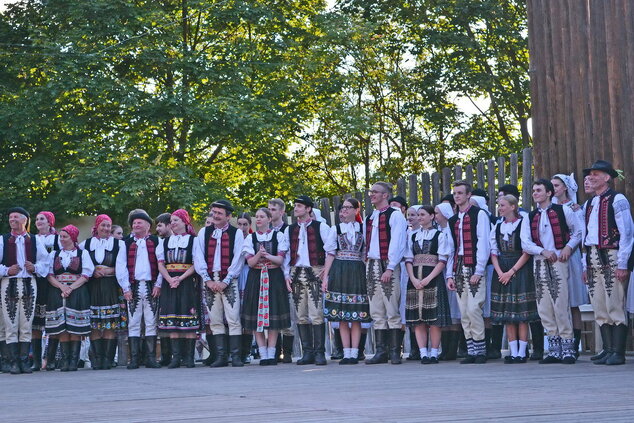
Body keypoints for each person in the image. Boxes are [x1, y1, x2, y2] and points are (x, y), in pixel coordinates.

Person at [521, 179, 582, 364]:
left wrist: (568, 247)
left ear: (549, 193)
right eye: (533, 191)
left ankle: (568, 348)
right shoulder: (530, 216)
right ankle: (554, 350)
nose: (535, 193)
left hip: (558, 261)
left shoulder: (564, 210)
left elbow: (577, 231)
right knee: (544, 306)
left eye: (538, 190)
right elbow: (525, 242)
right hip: (540, 261)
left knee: (561, 303)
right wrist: (542, 251)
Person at [582, 160, 633, 365]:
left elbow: (627, 233)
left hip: (611, 254)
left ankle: (618, 352)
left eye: (596, 174)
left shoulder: (617, 199)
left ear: (607, 177)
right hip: (593, 255)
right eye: (590, 174)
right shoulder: (589, 203)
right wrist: (585, 265)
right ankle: (608, 348)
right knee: (599, 304)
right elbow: (586, 237)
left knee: (615, 302)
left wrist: (623, 263)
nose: (591, 177)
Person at [194, 200, 245, 368]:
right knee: (215, 319)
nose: (215, 216)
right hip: (209, 279)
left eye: (219, 213)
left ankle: (236, 356)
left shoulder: (236, 233)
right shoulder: (204, 232)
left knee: (233, 318)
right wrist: (207, 279)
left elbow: (238, 258)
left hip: (229, 279)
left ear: (228, 216)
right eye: (214, 212)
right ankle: (221, 356)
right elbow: (198, 256)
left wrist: (226, 280)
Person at [446, 181, 491, 364]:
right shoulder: (453, 220)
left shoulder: (479, 214)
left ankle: (480, 349)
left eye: (460, 193)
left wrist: (479, 270)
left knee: (474, 308)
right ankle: (471, 349)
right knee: (464, 311)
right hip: (458, 266)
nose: (457, 196)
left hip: (473, 265)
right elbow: (451, 248)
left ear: (468, 195)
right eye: (455, 193)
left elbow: (484, 243)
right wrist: (449, 274)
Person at [498, 183, 544, 361]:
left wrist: (512, 270)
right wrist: (502, 271)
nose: (500, 208)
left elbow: (526, 249)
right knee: (509, 314)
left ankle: (523, 351)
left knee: (523, 313)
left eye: (502, 204)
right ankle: (514, 351)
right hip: (503, 268)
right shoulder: (498, 225)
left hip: (520, 268)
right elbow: (494, 251)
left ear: (512, 205)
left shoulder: (524, 220)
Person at [0, 207, 49, 374]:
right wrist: (6, 270)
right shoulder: (3, 240)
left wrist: (34, 267)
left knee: (26, 323)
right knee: (10, 323)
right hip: (9, 283)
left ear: (24, 220)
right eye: (10, 217)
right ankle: (14, 362)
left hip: (29, 282)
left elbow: (46, 262)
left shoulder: (35, 240)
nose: (12, 219)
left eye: (15, 217)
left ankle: (23, 361)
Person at [322, 199, 371, 364]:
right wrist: (325, 277)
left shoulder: (363, 229)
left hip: (357, 271)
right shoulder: (335, 229)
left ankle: (355, 352)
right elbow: (330, 254)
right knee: (342, 315)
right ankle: (346, 352)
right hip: (340, 270)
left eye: (348, 208)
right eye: (343, 208)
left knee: (356, 315)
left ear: (357, 210)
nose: (344, 211)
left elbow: (366, 254)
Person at [364, 182, 407, 365]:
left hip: (387, 264)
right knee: (376, 308)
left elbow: (397, 242)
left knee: (392, 307)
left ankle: (395, 351)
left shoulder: (395, 215)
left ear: (385, 195)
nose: (372, 194)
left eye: (375, 192)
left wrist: (390, 267)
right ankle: (381, 351)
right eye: (371, 191)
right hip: (372, 263)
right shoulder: (371, 216)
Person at [284, 196, 330, 365]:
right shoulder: (289, 230)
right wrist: (286, 274)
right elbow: (286, 254)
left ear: (308, 209)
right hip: (296, 272)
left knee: (316, 314)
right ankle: (308, 353)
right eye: (295, 206)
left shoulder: (321, 227)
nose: (295, 209)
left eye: (299, 206)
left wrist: (326, 269)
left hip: (315, 271)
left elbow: (330, 249)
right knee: (300, 316)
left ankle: (319, 353)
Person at [80, 214, 130, 370]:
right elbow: (78, 264)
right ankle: (97, 359)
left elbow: (122, 267)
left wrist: (125, 286)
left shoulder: (118, 245)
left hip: (110, 286)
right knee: (94, 324)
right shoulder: (85, 245)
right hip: (92, 286)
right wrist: (91, 271)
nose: (106, 228)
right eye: (103, 225)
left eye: (108, 226)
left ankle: (108, 360)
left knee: (110, 323)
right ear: (96, 227)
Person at [241, 208, 290, 365]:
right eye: (257, 217)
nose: (258, 219)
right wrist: (258, 255)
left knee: (273, 315)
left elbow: (280, 260)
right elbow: (250, 262)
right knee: (256, 315)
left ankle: (272, 352)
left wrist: (267, 256)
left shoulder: (278, 235)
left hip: (273, 276)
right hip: (256, 277)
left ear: (269, 219)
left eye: (262, 216)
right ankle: (263, 353)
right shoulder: (250, 238)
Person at [404, 205, 452, 364]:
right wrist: (413, 278)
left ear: (432, 216)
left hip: (433, 278)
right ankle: (423, 352)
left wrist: (428, 278)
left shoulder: (439, 235)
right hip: (415, 279)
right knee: (418, 319)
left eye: (422, 215)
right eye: (418, 215)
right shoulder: (412, 236)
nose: (419, 217)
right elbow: (409, 259)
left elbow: (442, 260)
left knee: (434, 320)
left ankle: (434, 352)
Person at [45, 225, 93, 371]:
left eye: (65, 236)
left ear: (72, 238)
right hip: (58, 292)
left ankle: (73, 360)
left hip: (77, 291)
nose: (62, 239)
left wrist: (70, 288)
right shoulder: (54, 254)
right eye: (61, 236)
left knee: (75, 327)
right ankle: (66, 360)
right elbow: (49, 274)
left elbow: (86, 274)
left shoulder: (82, 253)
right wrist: (62, 287)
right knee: (62, 327)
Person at [157, 209, 200, 368]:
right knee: (172, 317)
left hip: (186, 282)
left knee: (187, 318)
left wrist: (180, 278)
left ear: (185, 222)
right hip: (169, 283)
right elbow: (160, 264)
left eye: (176, 220)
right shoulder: (164, 242)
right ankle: (176, 357)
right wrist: (169, 279)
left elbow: (197, 264)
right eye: (172, 221)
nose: (173, 223)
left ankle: (188, 357)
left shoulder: (193, 241)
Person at [552, 173, 587, 358]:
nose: (554, 189)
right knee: (556, 302)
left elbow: (579, 232)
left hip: (570, 257)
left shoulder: (574, 208)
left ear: (565, 187)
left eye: (557, 185)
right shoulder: (548, 208)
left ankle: (574, 344)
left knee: (572, 302)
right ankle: (558, 343)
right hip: (552, 258)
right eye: (552, 186)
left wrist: (569, 249)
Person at [124, 210, 162, 369]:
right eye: (134, 223)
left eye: (139, 222)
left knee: (151, 321)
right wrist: (125, 287)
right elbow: (121, 266)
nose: (135, 225)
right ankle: (134, 359)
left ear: (147, 225)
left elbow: (162, 264)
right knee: (133, 322)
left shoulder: (156, 241)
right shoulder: (125, 242)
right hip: (133, 285)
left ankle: (150, 358)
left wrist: (158, 283)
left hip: (151, 285)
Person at [31, 211, 60, 371]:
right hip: (36, 281)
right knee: (36, 323)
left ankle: (50, 359)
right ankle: (36, 360)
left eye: (42, 219)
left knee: (53, 322)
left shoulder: (57, 239)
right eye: (36, 219)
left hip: (52, 282)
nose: (38, 221)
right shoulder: (32, 239)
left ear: (50, 222)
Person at [268, 198, 295, 363]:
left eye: (273, 209)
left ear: (281, 212)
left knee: (288, 312)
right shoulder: (266, 231)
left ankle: (288, 352)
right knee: (272, 313)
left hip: (286, 275)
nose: (270, 212)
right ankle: (276, 351)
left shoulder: (289, 230)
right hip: (270, 276)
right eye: (269, 209)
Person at [434, 203, 461, 361]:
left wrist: (450, 273)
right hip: (440, 272)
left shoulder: (451, 230)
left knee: (454, 311)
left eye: (437, 213)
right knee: (445, 310)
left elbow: (451, 252)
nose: (435, 215)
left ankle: (452, 350)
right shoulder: (437, 232)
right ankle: (445, 350)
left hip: (449, 271)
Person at [154, 212, 172, 366]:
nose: (157, 229)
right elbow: (161, 266)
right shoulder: (161, 243)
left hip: (174, 281)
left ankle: (179, 354)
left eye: (160, 225)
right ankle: (166, 355)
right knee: (164, 318)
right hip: (167, 281)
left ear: (169, 225)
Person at [236, 212, 254, 363]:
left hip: (248, 274)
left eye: (245, 224)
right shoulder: (234, 238)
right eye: (239, 224)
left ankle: (246, 351)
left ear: (250, 225)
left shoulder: (252, 239)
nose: (242, 227)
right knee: (234, 314)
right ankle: (234, 350)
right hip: (235, 274)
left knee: (247, 312)